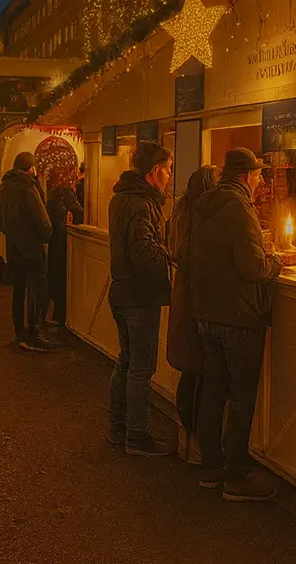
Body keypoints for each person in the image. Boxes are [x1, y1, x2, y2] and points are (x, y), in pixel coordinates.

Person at [186, 147, 283, 501]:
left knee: (214, 391)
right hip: (238, 317)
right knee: (241, 398)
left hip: (207, 313)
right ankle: (237, 475)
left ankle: (211, 466)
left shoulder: (203, 204)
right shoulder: (240, 209)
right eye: (258, 176)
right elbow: (252, 268)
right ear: (245, 177)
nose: (261, 183)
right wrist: (276, 263)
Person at [106, 142, 174, 457]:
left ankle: (117, 427)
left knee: (126, 360)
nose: (170, 176)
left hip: (121, 291)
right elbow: (143, 251)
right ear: (153, 171)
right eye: (168, 169)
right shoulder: (141, 204)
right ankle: (136, 435)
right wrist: (170, 254)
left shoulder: (121, 198)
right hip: (139, 295)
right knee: (140, 367)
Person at [166, 165, 219, 462]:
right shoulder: (204, 216)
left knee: (190, 371)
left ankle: (186, 435)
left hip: (184, 299)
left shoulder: (181, 210)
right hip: (199, 302)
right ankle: (197, 441)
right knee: (201, 373)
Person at [0, 151, 54, 352]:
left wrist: (9, 231)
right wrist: (46, 235)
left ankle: (19, 331)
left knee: (18, 288)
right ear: (30, 168)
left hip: (13, 245)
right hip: (31, 245)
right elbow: (42, 219)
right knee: (37, 287)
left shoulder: (4, 187)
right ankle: (34, 332)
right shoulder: (27, 188)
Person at [45, 167, 84, 329]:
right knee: (62, 276)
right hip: (61, 239)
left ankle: (53, 314)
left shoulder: (55, 193)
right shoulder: (66, 191)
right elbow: (79, 209)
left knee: (55, 276)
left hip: (55, 239)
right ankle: (60, 315)